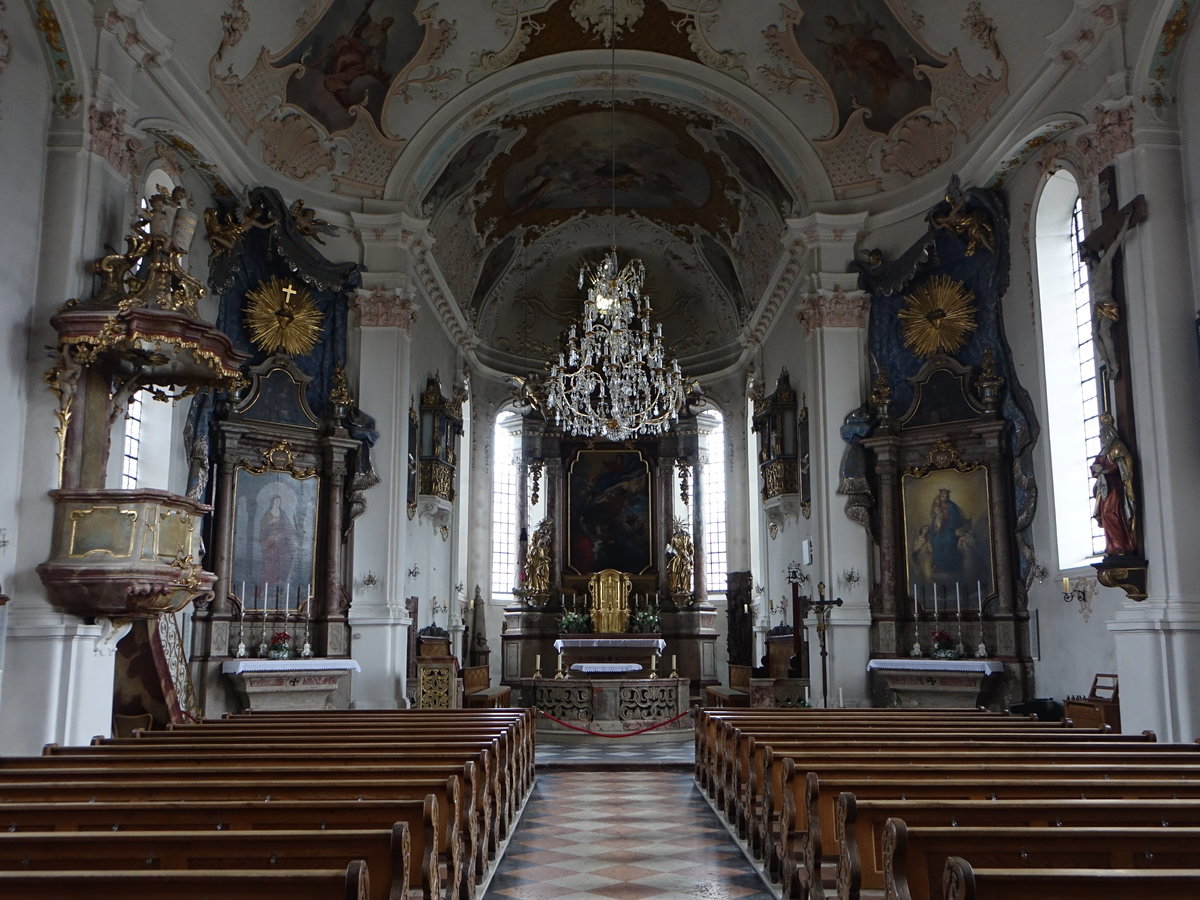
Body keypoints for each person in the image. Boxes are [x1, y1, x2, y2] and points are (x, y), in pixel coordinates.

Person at [1092, 413, 1137, 555]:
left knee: (1113, 513)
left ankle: (1121, 545)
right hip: (1105, 488)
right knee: (1105, 514)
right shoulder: (1104, 450)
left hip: (1115, 487)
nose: (1100, 438)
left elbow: (1122, 466)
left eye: (1102, 435)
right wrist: (1096, 469)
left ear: (1108, 434)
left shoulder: (1117, 447)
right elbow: (1095, 465)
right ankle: (1112, 547)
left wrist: (1104, 471)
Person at [258, 495, 297, 588]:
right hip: (270, 543)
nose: (277, 503)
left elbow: (288, 526)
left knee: (282, 563)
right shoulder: (268, 514)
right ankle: (266, 587)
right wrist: (272, 523)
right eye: (276, 501)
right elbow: (262, 527)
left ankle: (278, 585)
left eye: (279, 501)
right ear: (272, 502)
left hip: (281, 542)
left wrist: (293, 534)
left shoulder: (282, 513)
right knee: (269, 566)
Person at [667, 524, 694, 595]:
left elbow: (690, 546)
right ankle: (676, 587)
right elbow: (671, 548)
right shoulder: (674, 538)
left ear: (681, 528)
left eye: (678, 527)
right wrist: (669, 550)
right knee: (674, 571)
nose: (677, 529)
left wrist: (690, 556)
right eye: (675, 527)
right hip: (677, 556)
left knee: (685, 573)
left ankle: (685, 588)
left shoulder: (685, 537)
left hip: (685, 557)